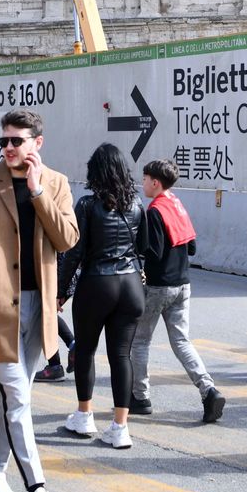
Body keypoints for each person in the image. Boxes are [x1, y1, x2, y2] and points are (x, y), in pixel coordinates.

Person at [0, 109, 75, 492]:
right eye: (4, 141)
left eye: (17, 141)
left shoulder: (56, 182)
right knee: (19, 397)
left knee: (14, 400)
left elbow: (66, 240)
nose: (8, 148)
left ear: (36, 144)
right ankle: (38, 489)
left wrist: (38, 191)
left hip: (39, 307)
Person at [58, 143, 146, 449]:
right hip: (131, 284)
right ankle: (120, 427)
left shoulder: (87, 205)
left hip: (98, 283)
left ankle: (84, 415)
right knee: (121, 355)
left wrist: (60, 292)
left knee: (85, 350)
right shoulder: (136, 205)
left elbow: (74, 253)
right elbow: (142, 249)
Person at [130, 157, 225, 422]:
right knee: (182, 341)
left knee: (140, 340)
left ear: (155, 182)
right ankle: (208, 389)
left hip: (159, 287)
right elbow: (191, 247)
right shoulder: (177, 205)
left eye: (146, 179)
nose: (143, 183)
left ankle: (140, 396)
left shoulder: (154, 210)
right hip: (183, 284)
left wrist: (138, 243)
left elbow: (153, 252)